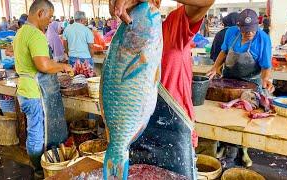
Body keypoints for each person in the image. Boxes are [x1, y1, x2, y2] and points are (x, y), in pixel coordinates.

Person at [110, 0, 214, 179]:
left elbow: (205, 2)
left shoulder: (174, 25)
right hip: (133, 136)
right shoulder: (122, 38)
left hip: (173, 134)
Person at [207, 9, 274, 168]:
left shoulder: (263, 38)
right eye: (245, 31)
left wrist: (266, 79)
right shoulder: (231, 33)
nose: (248, 34)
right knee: (223, 115)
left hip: (250, 83)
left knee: (243, 119)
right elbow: (223, 51)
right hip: (228, 81)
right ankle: (223, 145)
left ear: (257, 26)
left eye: (251, 31)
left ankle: (244, 150)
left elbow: (266, 66)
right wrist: (215, 67)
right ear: (239, 27)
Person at [13, 0, 72, 178]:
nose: (51, 21)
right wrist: (64, 67)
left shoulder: (21, 32)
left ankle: (40, 167)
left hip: (24, 90)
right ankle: (40, 170)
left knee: (35, 131)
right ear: (40, 13)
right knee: (37, 134)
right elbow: (43, 65)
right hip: (35, 92)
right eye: (50, 16)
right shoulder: (36, 35)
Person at [63, 11, 95, 77]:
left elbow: (65, 43)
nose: (85, 21)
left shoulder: (67, 29)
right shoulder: (87, 30)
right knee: (87, 79)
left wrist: (68, 53)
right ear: (81, 20)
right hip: (86, 58)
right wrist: (91, 56)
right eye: (85, 19)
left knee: (73, 79)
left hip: (72, 57)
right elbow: (91, 46)